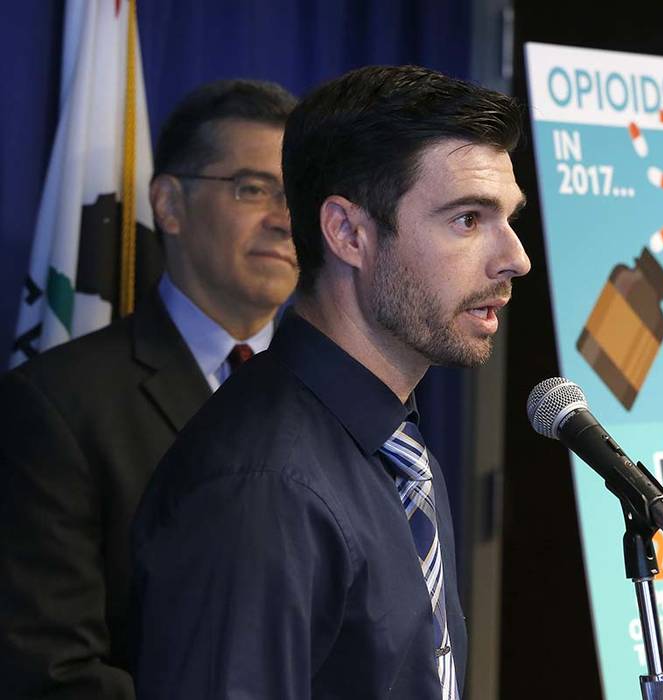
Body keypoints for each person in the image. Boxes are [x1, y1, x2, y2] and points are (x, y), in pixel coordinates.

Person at [131, 65, 530, 699]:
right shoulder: (263, 489)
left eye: (508, 218)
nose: (515, 257)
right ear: (347, 232)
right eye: (467, 219)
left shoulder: (393, 445)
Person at [0, 79, 298, 698]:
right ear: (169, 204)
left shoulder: (337, 395)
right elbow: (51, 674)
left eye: (299, 192)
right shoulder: (58, 405)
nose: (284, 218)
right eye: (252, 188)